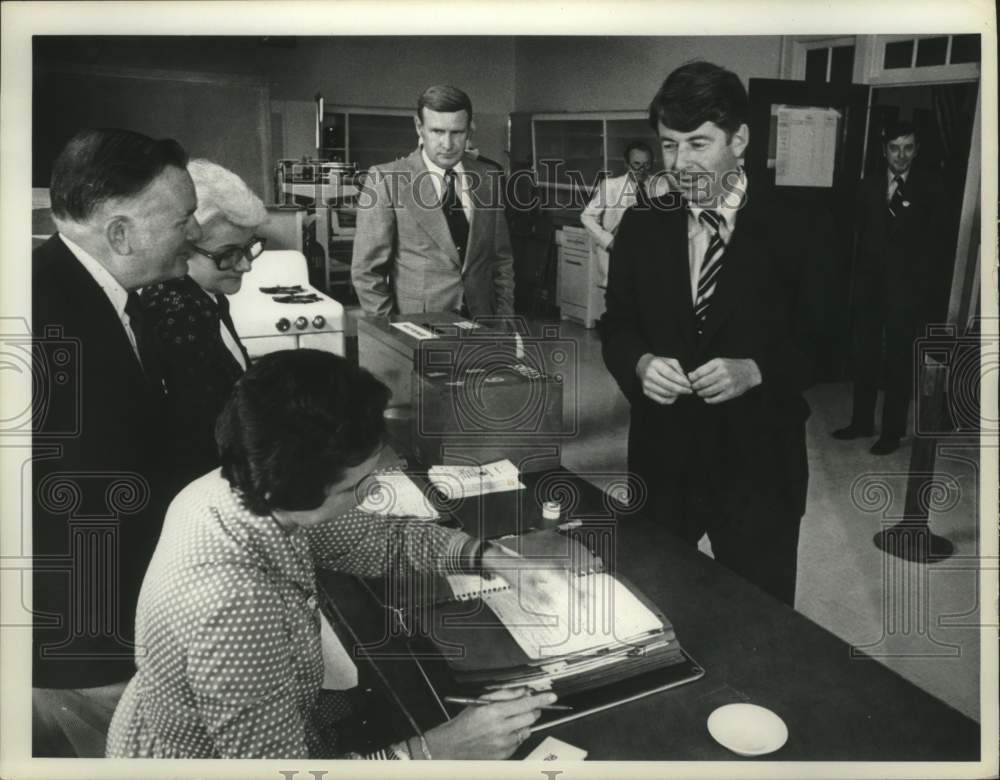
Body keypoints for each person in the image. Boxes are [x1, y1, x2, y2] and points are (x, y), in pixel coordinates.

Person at [106, 349, 557, 759]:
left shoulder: (241, 485)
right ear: (291, 485)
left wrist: (490, 557)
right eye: (355, 485)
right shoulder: (231, 604)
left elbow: (374, 540)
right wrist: (440, 750)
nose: (374, 490)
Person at [600, 62, 832, 607]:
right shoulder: (643, 222)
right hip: (664, 461)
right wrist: (637, 363)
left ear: (740, 139)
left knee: (760, 619)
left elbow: (831, 341)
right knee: (657, 605)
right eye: (670, 145)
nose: (681, 164)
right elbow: (617, 323)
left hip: (758, 467)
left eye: (698, 143)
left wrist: (756, 370)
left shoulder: (801, 227)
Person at [31, 128, 201, 755]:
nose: (197, 235)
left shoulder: (93, 292)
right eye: (184, 220)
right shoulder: (48, 321)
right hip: (85, 645)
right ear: (122, 234)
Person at [141, 159, 267, 487]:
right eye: (227, 253)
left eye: (249, 248)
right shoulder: (176, 311)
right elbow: (203, 435)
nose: (245, 266)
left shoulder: (207, 294)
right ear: (182, 245)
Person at [832, 121, 946, 455]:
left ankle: (892, 432)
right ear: (884, 151)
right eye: (895, 148)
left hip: (906, 295)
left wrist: (924, 294)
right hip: (869, 290)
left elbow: (937, 248)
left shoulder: (930, 189)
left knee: (899, 363)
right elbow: (856, 240)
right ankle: (862, 422)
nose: (901, 155)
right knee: (864, 357)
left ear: (917, 150)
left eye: (908, 147)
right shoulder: (866, 187)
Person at [352, 84, 514, 318]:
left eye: (457, 133)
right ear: (419, 127)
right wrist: (393, 331)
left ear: (470, 130)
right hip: (417, 329)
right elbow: (366, 272)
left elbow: (501, 260)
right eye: (437, 131)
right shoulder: (386, 179)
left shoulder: (488, 177)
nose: (447, 145)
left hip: (483, 326)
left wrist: (504, 322)